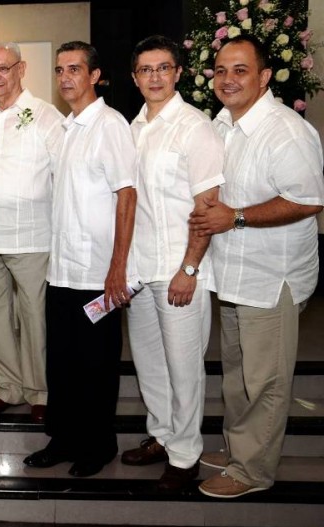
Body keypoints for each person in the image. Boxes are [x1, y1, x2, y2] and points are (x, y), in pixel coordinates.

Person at [189, 35, 324, 499]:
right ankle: (238, 449)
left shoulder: (285, 130)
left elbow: (308, 201)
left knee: (265, 379)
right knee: (237, 374)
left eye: (241, 70)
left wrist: (237, 217)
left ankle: (253, 471)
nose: (228, 79)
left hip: (271, 279)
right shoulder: (222, 124)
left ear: (265, 76)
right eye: (222, 70)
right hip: (233, 275)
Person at [24, 41, 136, 477]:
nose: (66, 77)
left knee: (96, 365)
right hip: (63, 270)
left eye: (75, 69)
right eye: (59, 70)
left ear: (95, 76)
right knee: (64, 362)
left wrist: (117, 266)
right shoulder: (69, 128)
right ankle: (63, 438)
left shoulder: (109, 124)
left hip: (97, 272)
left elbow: (127, 195)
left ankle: (98, 445)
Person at [121, 35, 225, 491]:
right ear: (135, 78)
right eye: (146, 70)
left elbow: (208, 205)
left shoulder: (194, 126)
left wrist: (189, 269)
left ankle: (185, 456)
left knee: (184, 369)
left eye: (164, 68)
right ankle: (161, 437)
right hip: (141, 272)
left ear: (178, 73)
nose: (155, 77)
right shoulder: (133, 126)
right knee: (150, 365)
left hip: (180, 270)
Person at [0, 42, 63, 424]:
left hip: (31, 237)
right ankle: (8, 388)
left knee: (36, 317)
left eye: (2, 68)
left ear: (21, 69)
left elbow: (64, 175)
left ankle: (40, 390)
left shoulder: (46, 116)